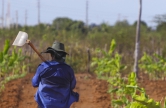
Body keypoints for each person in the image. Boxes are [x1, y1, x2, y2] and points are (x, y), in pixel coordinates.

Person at [31, 41, 79, 108]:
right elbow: (72, 86)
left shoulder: (43, 67)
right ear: (63, 56)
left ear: (51, 55)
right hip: (62, 104)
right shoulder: (68, 70)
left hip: (44, 104)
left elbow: (34, 83)